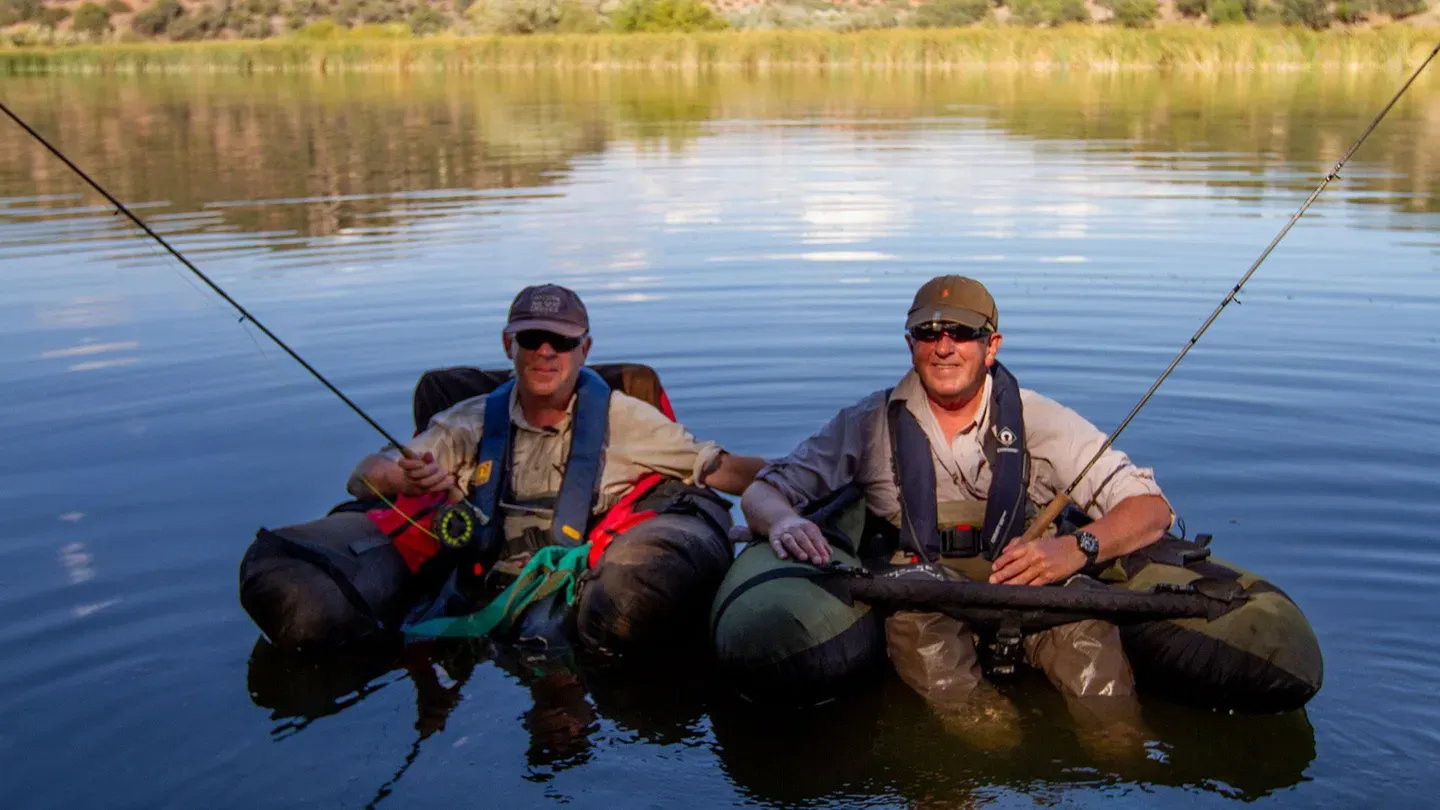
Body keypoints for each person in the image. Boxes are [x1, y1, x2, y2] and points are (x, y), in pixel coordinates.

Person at [740, 275, 1173, 752]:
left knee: (1105, 695)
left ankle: (1122, 756)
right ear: (911, 345)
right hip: (924, 593)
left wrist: (1076, 547)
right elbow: (766, 490)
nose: (943, 347)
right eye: (928, 333)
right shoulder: (867, 423)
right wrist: (784, 520)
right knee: (964, 705)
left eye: (961, 333)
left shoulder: (1041, 419)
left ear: (991, 346)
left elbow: (1151, 509)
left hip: (1035, 585)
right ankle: (993, 753)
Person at [348, 282, 765, 567]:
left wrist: (798, 484)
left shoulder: (626, 418)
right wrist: (408, 480)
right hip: (483, 580)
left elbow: (716, 466)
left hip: (582, 584)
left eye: (562, 341)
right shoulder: (468, 420)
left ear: (584, 350)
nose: (546, 352)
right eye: (531, 339)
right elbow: (364, 476)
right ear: (509, 345)